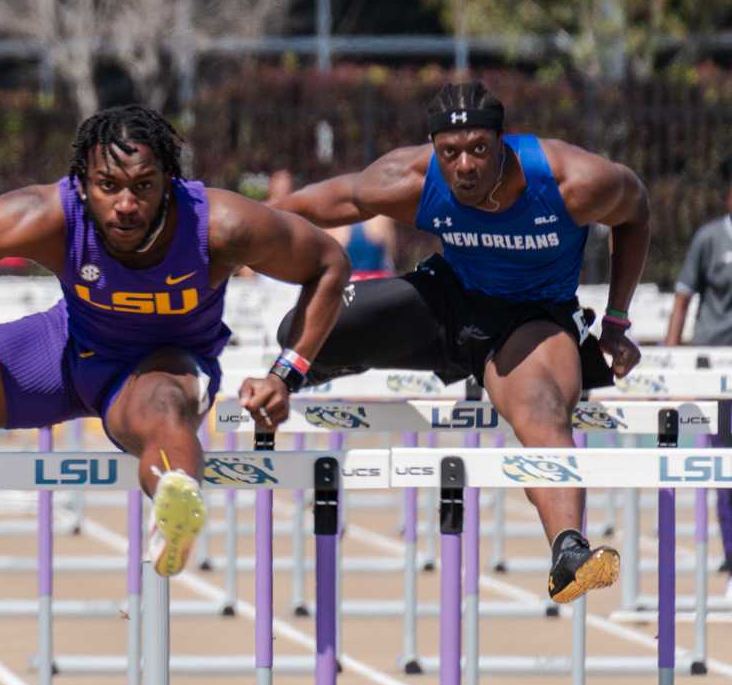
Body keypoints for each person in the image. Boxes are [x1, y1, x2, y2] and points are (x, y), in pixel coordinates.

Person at [0, 105, 350, 578]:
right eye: (108, 187)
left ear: (170, 184)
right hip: (65, 349)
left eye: (144, 188)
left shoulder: (220, 225)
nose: (126, 205)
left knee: (162, 412)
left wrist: (286, 373)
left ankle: (173, 506)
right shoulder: (46, 215)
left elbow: (328, 264)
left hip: (162, 367)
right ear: (81, 184)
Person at [271, 81, 650, 605]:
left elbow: (637, 214)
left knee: (542, 410)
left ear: (503, 143)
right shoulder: (410, 180)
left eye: (479, 150)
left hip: (531, 320)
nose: (466, 166)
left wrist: (616, 320)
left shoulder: (571, 182)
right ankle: (329, 364)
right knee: (300, 329)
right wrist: (233, 236)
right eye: (450, 153)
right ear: (434, 149)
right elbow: (319, 203)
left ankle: (569, 550)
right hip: (449, 300)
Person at [662, 156, 732, 594]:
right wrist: (668, 360)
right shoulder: (710, 239)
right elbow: (684, 298)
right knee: (725, 465)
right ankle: (731, 556)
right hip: (717, 366)